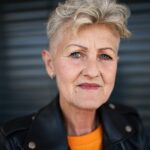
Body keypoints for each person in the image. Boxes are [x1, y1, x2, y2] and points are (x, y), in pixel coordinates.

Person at [0, 0, 149, 149]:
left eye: (105, 56)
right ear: (50, 64)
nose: (92, 72)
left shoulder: (132, 123)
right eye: (76, 54)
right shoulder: (13, 142)